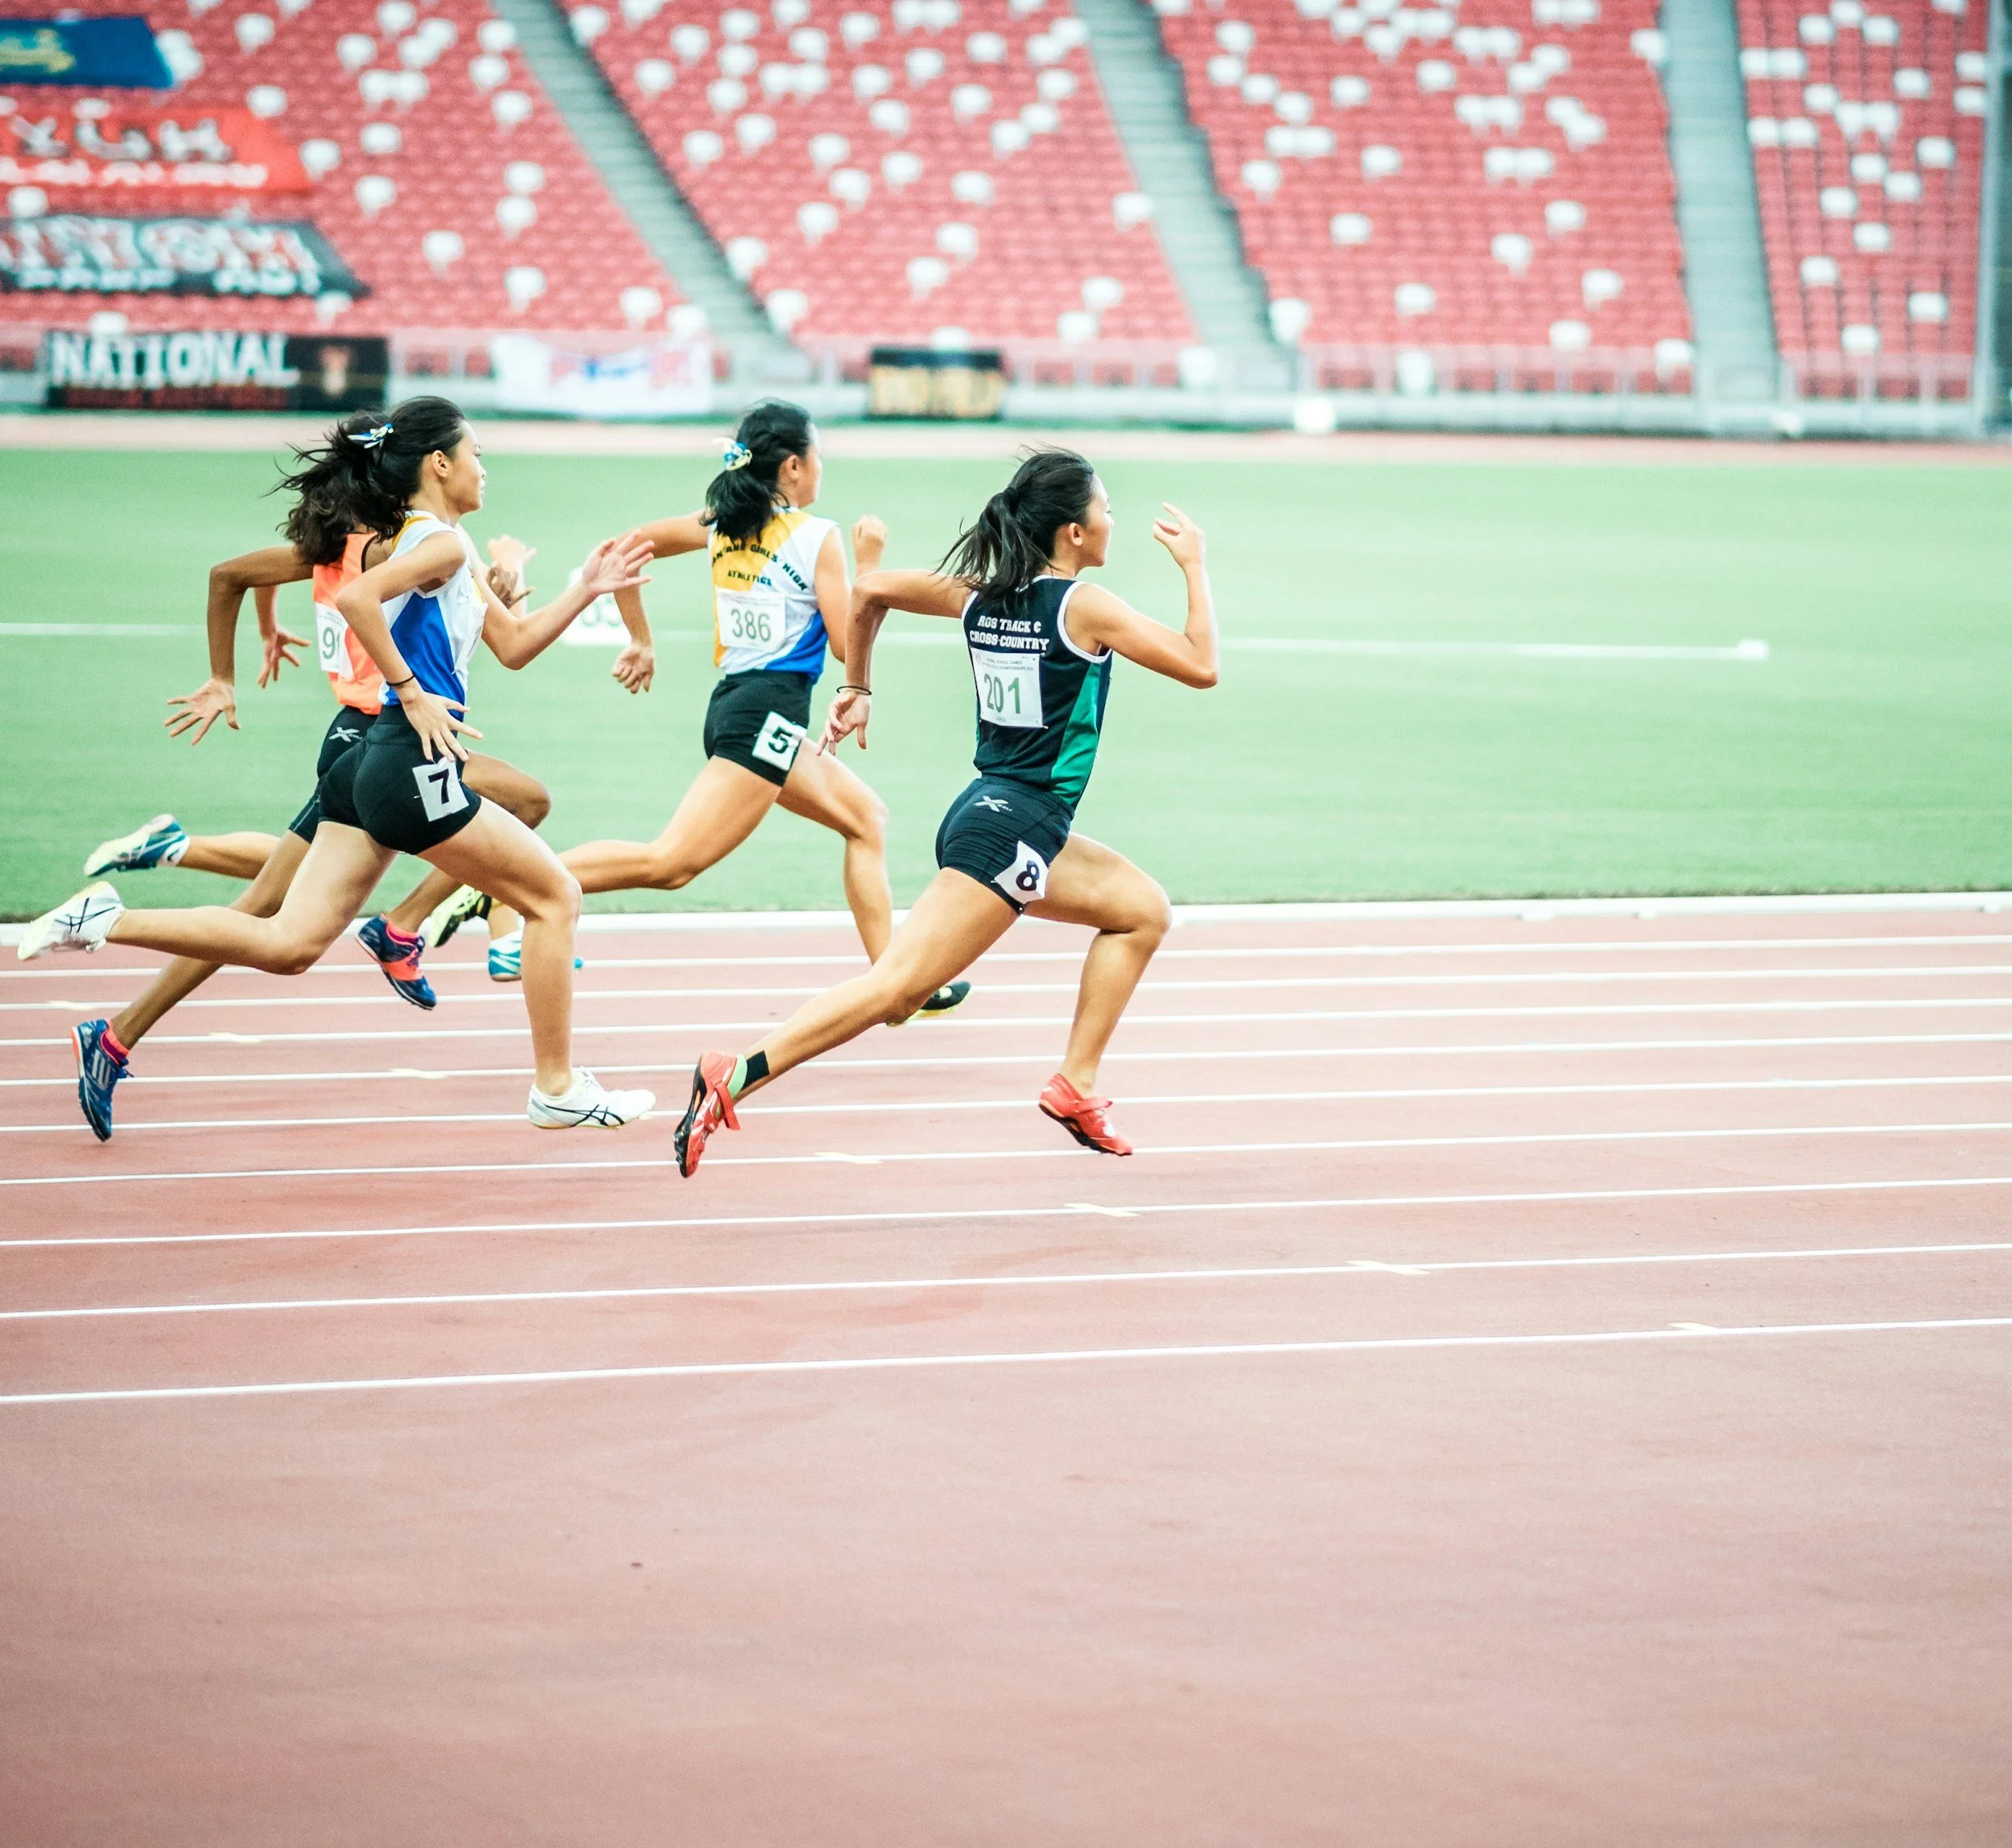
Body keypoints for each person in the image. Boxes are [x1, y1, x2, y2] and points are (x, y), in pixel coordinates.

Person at [23, 397, 656, 1131]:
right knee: (555, 896)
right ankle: (556, 1087)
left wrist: (586, 587)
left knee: (287, 942)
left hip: (372, 761)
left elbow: (512, 645)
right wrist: (413, 692)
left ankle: (106, 919)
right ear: (438, 463)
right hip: (398, 756)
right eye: (478, 452)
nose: (488, 467)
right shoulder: (432, 546)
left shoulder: (444, 544)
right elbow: (353, 596)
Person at [668, 448, 1218, 1176]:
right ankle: (735, 1073)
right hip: (1013, 829)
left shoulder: (977, 593)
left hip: (1001, 817)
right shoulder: (1083, 607)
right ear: (1074, 534)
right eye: (1106, 509)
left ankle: (1075, 1084)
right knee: (893, 994)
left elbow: (870, 592)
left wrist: (858, 685)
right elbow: (1201, 665)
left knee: (1141, 910)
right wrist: (1194, 566)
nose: (1112, 518)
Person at [61, 526, 553, 1139]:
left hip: (377, 737)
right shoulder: (394, 548)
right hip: (378, 739)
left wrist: (267, 628)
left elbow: (238, 575)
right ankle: (398, 928)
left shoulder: (336, 548)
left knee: (266, 904)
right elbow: (236, 576)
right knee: (522, 803)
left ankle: (115, 1033)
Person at [537, 400, 971, 1019]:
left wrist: (641, 637)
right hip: (766, 719)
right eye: (818, 456)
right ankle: (516, 880)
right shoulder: (816, 537)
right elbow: (850, 648)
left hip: (743, 712)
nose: (822, 468)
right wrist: (871, 566)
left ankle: (897, 988)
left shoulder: (722, 522)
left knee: (864, 819)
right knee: (672, 863)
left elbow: (623, 547)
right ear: (794, 467)